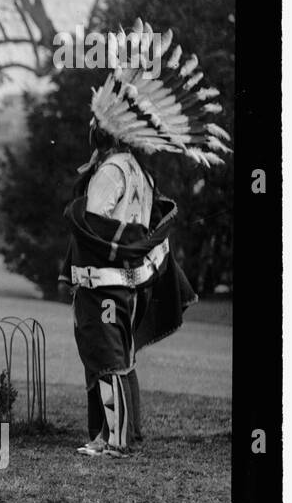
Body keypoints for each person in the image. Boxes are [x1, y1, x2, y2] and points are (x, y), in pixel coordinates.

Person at [63, 24, 230, 457]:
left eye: (93, 124)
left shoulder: (111, 171)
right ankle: (119, 435)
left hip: (102, 283)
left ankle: (113, 442)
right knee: (121, 359)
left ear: (105, 131)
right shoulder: (140, 171)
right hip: (128, 284)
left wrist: (74, 216)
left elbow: (94, 226)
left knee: (106, 359)